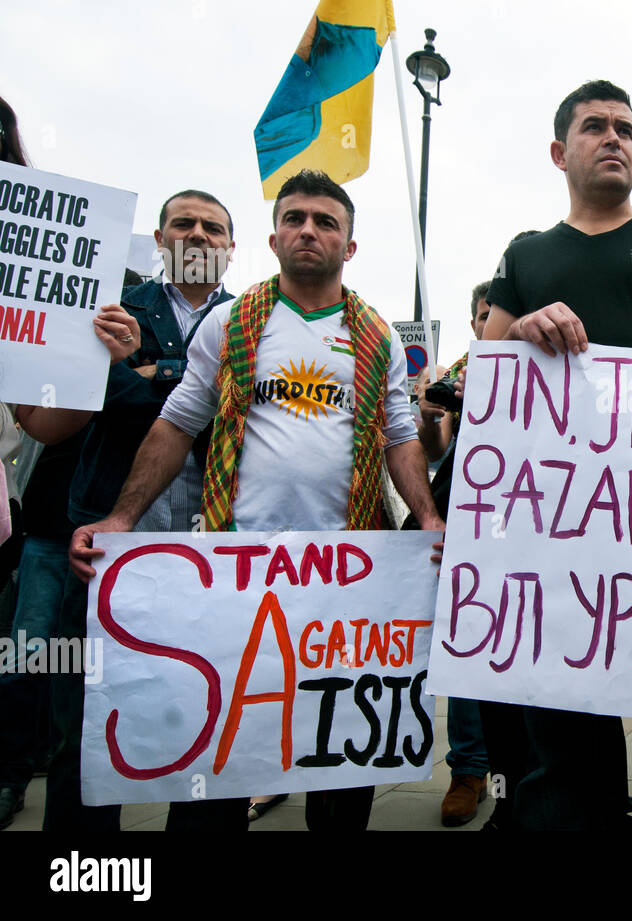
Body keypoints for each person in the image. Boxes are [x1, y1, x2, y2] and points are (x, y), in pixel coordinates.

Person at [68, 169, 443, 831]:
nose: (308, 230)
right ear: (272, 237)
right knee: (222, 751)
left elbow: (399, 433)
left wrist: (431, 517)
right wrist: (121, 518)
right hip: (237, 573)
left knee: (341, 754)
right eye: (295, 217)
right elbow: (178, 421)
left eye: (326, 221)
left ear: (349, 246)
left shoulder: (375, 335)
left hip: (343, 576)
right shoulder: (230, 321)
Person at [482, 79, 632, 830]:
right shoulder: (525, 256)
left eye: (626, 126)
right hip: (558, 548)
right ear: (561, 152)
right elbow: (486, 376)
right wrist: (522, 325)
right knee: (564, 762)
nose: (614, 137)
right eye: (595, 127)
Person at [16, 187, 240, 831]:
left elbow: (235, 411)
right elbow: (80, 411)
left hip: (214, 557)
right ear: (160, 239)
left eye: (212, 228)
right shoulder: (108, 309)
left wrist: (145, 372)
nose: (197, 235)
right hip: (109, 550)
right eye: (183, 224)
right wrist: (170, 385)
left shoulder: (256, 319)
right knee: (85, 729)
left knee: (214, 719)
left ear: (231, 248)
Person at [418, 281, 493, 828]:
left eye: (499, 314)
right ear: (473, 322)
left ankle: (519, 765)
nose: (491, 323)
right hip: (461, 520)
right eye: (483, 315)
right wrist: (427, 414)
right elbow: (435, 450)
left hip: (519, 524)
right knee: (463, 643)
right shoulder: (459, 374)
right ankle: (468, 767)